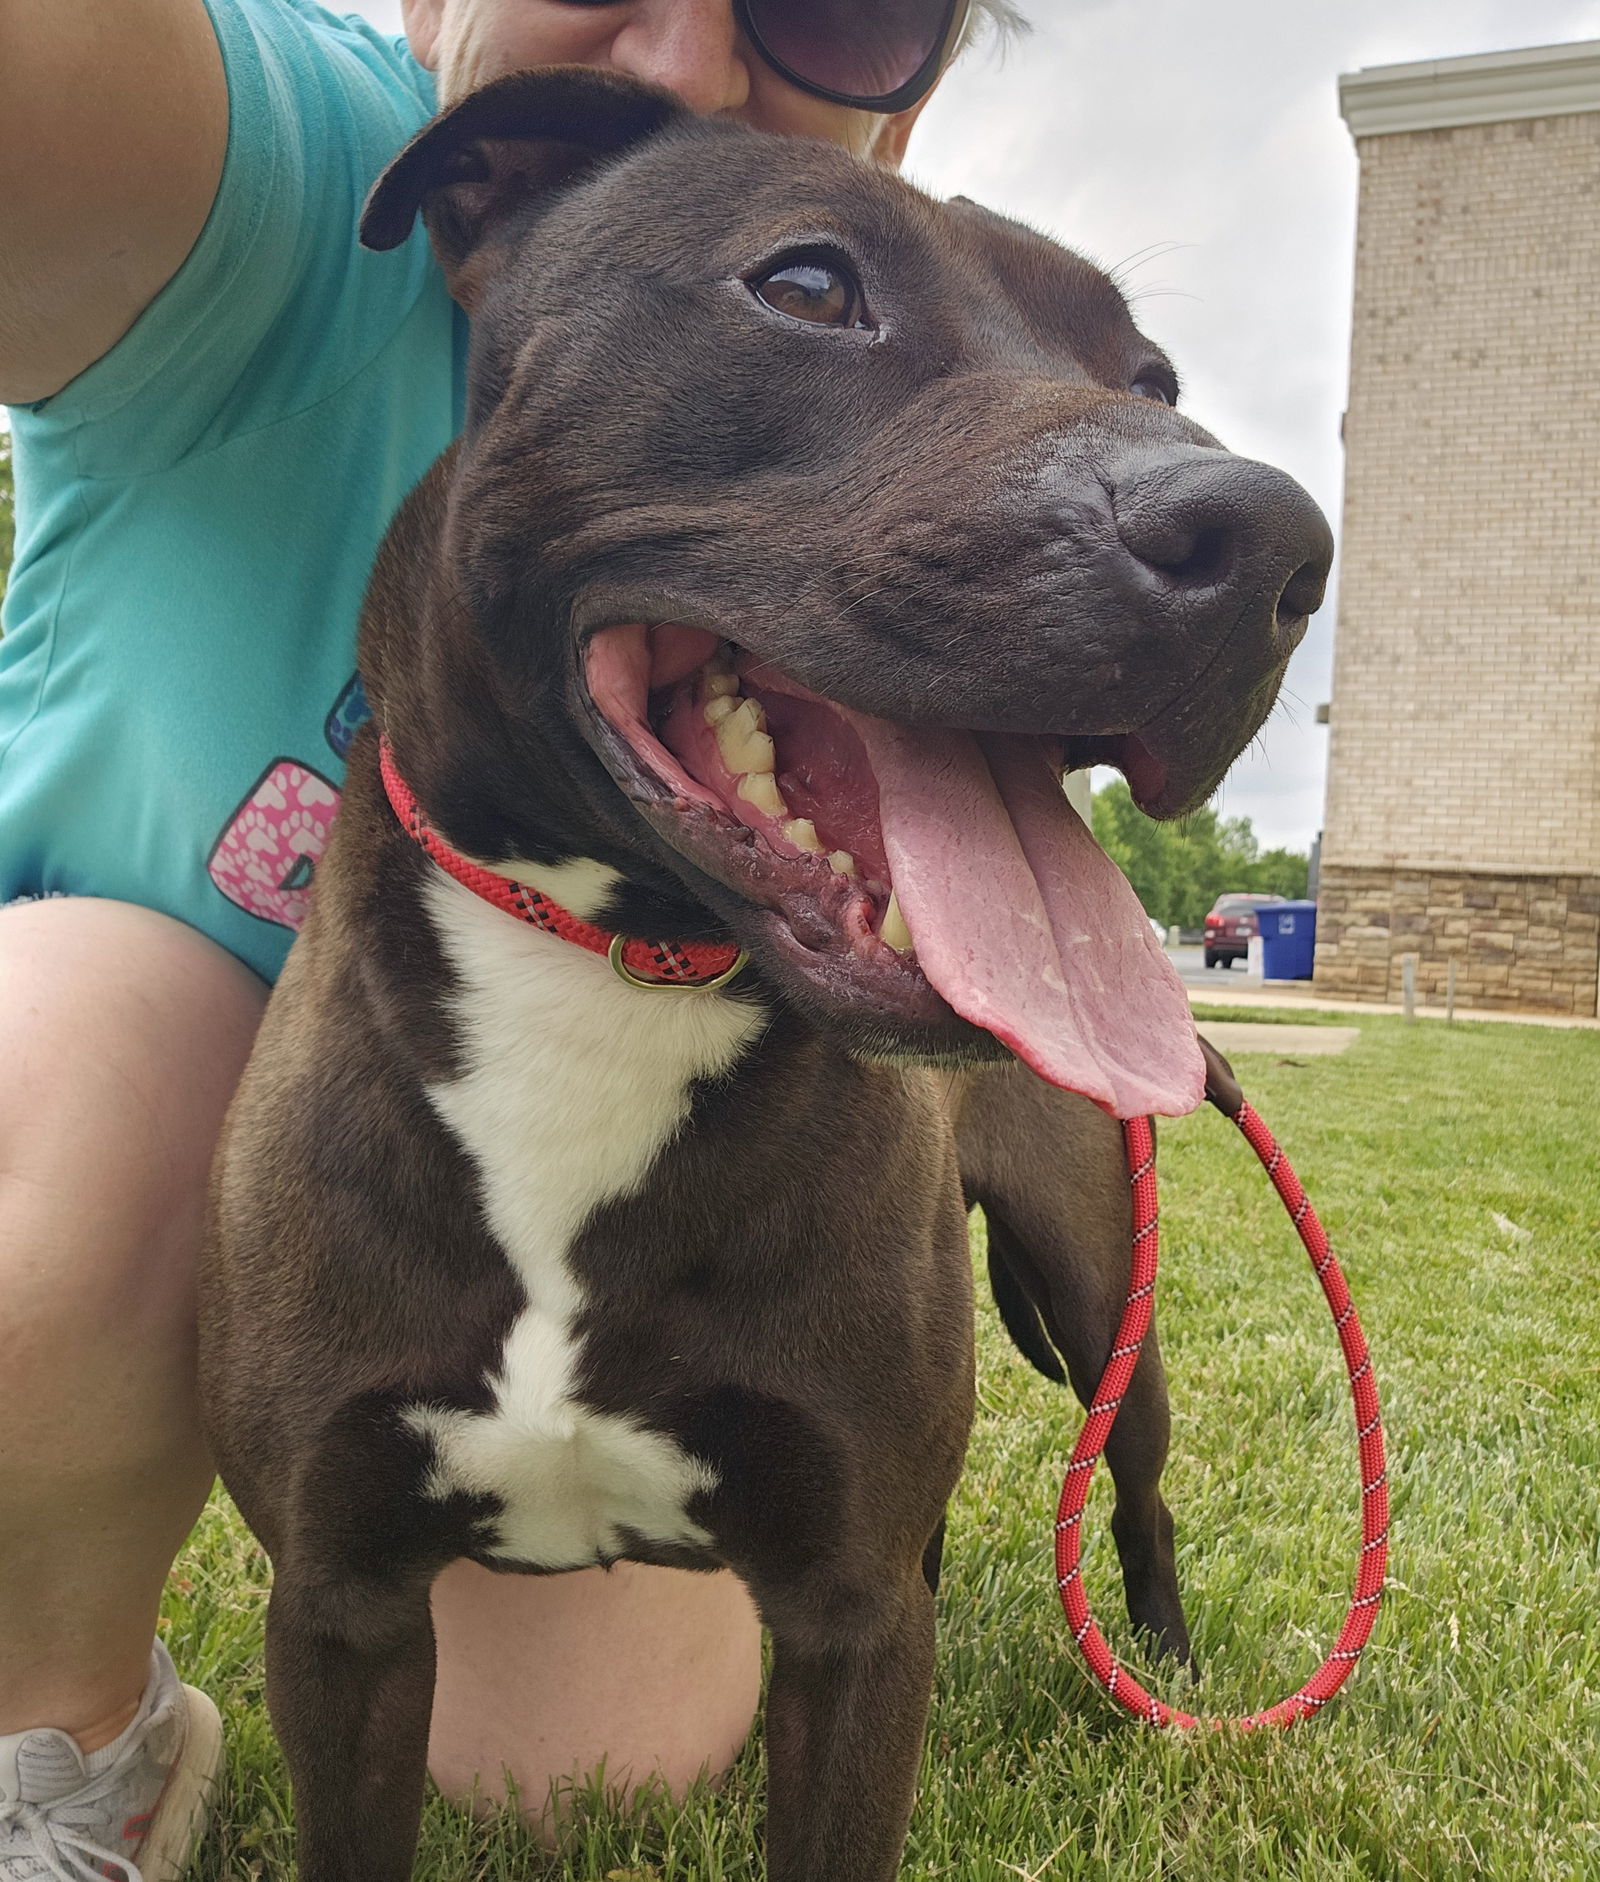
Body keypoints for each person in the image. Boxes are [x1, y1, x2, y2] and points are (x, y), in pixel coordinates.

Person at [0, 3, 1018, 1878]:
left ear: (918, 82)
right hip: (213, 1072)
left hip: (642, 1146)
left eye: (844, 4)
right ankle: (68, 1727)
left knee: (570, 1770)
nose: (694, 57)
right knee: (44, 1136)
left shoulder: (903, 357)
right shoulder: (276, 163)